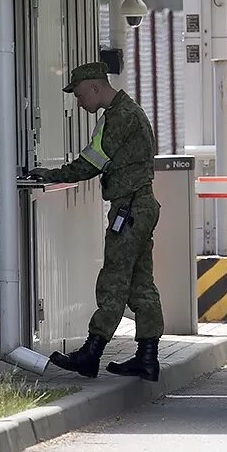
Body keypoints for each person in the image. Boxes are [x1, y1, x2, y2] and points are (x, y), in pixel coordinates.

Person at [29, 62, 164, 381]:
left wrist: (52, 175)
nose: (78, 103)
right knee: (140, 283)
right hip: (140, 205)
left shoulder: (118, 116)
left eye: (78, 95)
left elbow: (91, 161)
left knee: (114, 279)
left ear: (94, 87)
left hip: (129, 209)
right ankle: (147, 357)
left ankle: (91, 353)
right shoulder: (131, 111)